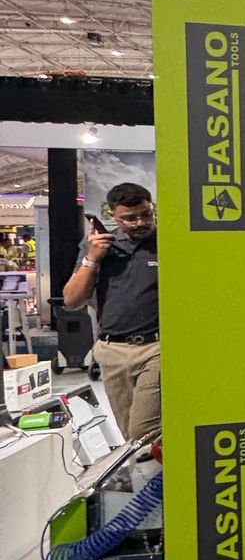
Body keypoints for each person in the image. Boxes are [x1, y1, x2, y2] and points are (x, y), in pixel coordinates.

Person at [63, 182, 160, 441]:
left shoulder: (167, 241)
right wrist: (93, 258)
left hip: (157, 348)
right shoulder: (100, 246)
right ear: (113, 215)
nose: (140, 222)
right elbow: (72, 300)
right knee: (130, 436)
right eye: (130, 218)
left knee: (143, 432)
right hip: (112, 350)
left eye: (146, 214)